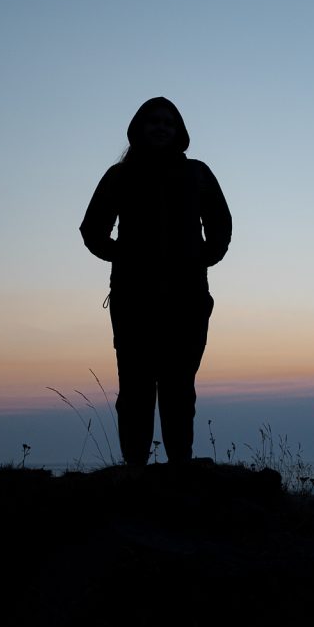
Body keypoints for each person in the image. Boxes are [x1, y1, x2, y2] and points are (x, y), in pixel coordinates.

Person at [80, 97, 231, 465]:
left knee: (179, 385)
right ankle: (134, 468)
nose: (161, 127)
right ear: (139, 129)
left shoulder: (197, 174)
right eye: (154, 121)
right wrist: (124, 256)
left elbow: (221, 225)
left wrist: (199, 259)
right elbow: (92, 230)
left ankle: (180, 467)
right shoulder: (119, 176)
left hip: (188, 298)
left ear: (179, 131)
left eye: (168, 122)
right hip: (133, 299)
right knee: (136, 386)